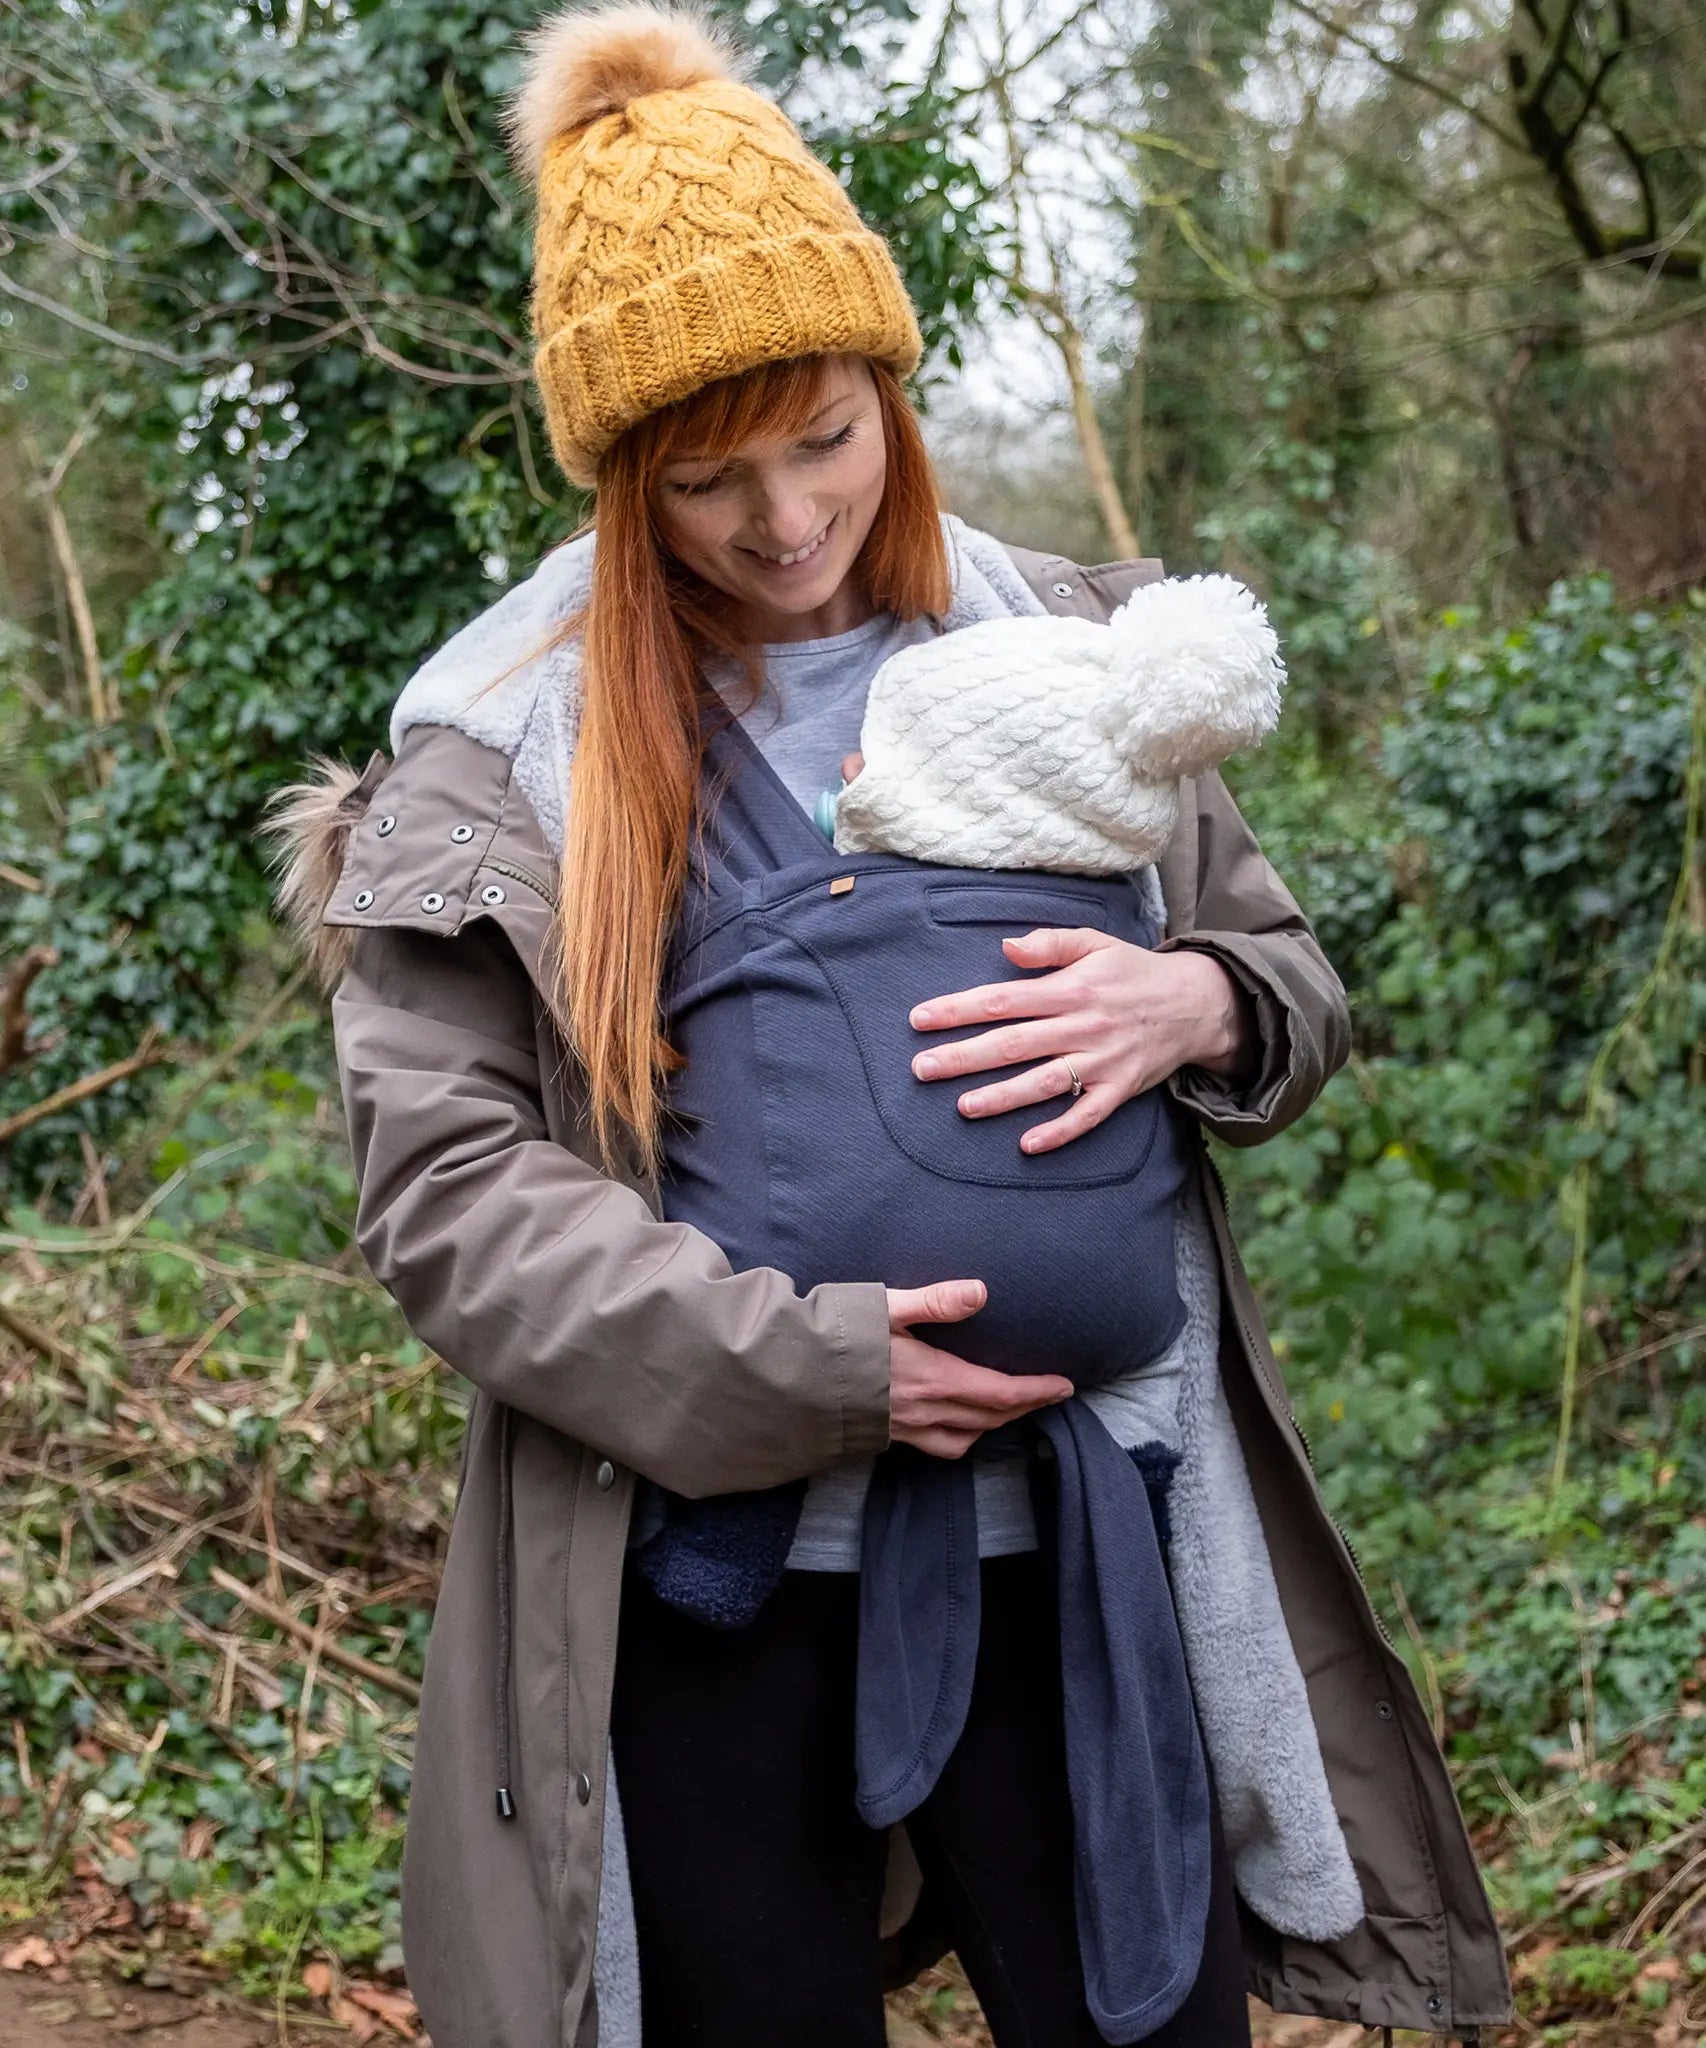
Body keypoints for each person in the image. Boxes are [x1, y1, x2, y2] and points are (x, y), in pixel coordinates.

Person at [266, 6, 1511, 2046]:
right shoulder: (507, 756)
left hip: (1088, 1563)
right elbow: (451, 1199)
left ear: (891, 388)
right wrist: (811, 1366)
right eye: (706, 479)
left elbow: (1287, 980)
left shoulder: (1065, 652)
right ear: (620, 483)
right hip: (717, 1597)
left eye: (824, 437)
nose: (780, 523)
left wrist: (1196, 993)